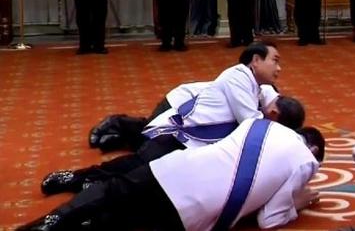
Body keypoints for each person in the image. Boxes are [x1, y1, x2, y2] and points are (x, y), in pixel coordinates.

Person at [40, 43, 306, 194]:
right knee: (139, 160)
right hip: (181, 125)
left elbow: (271, 95)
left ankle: (90, 181)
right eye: (275, 61)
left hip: (192, 142)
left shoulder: (259, 87)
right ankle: (74, 178)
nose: (279, 68)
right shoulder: (239, 76)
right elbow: (251, 124)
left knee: (141, 175)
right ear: (255, 60)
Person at [19, 120, 325, 231]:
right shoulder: (304, 161)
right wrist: (298, 202)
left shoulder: (256, 124)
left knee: (115, 190)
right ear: (311, 149)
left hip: (176, 170)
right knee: (132, 217)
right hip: (195, 210)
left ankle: (50, 222)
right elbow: (269, 219)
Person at [88, 81, 280, 152]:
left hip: (195, 117)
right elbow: (268, 96)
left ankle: (119, 139)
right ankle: (117, 123)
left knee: (159, 147)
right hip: (181, 102)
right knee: (151, 136)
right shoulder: (264, 90)